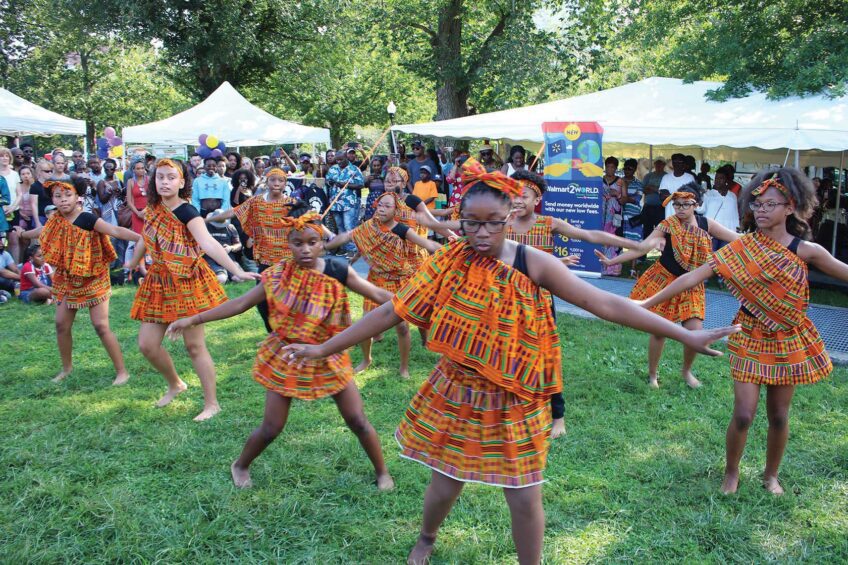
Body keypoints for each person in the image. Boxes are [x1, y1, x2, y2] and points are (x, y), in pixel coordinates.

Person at [282, 163, 738, 565]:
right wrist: (324, 349)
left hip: (518, 393)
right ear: (459, 222)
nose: (481, 233)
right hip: (459, 387)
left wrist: (686, 333)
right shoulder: (449, 261)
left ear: (507, 220)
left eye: (492, 223)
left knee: (523, 493)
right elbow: (391, 310)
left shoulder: (530, 260)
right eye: (471, 223)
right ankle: (426, 537)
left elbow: (603, 303)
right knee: (446, 481)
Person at [639, 168, 848, 495]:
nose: (761, 211)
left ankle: (770, 475)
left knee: (779, 416)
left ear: (790, 208)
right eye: (757, 204)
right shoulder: (742, 247)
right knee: (743, 415)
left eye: (770, 205)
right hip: (749, 333)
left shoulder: (806, 251)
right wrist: (646, 302)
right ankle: (731, 473)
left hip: (788, 338)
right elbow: (691, 277)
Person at [166, 206, 395, 490]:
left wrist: (415, 301)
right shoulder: (277, 275)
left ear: (322, 243)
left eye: (313, 242)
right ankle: (240, 464)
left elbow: (378, 295)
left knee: (358, 420)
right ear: (287, 244)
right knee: (272, 427)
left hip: (329, 353)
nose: (306, 250)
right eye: (297, 244)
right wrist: (193, 318)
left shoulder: (338, 270)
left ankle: (382, 471)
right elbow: (240, 304)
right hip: (287, 355)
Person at [127, 159, 258, 421]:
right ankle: (175, 384)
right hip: (159, 282)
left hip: (187, 281)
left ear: (182, 182)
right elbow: (145, 236)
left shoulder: (188, 212)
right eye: (160, 177)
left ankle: (212, 403)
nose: (165, 182)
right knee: (147, 345)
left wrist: (236, 269)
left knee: (194, 346)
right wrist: (133, 262)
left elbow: (208, 242)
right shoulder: (153, 208)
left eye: (171, 178)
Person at [596, 186, 739, 388]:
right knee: (659, 330)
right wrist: (612, 261)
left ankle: (686, 371)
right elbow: (642, 247)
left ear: (696, 205)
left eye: (685, 205)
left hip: (692, 284)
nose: (680, 209)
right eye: (677, 204)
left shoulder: (706, 224)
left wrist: (767, 241)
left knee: (694, 330)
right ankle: (653, 374)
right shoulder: (668, 224)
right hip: (664, 281)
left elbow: (736, 239)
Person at [16, 177, 140, 384]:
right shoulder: (55, 220)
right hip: (68, 279)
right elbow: (40, 231)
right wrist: (23, 234)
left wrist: (143, 238)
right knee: (61, 324)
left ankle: (122, 372)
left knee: (100, 325)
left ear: (77, 197)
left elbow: (116, 231)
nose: (63, 200)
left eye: (67, 195)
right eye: (58, 196)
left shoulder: (87, 218)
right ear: (53, 200)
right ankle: (67, 369)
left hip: (94, 277)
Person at [324, 191, 440, 378]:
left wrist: (453, 248)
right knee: (365, 323)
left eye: (387, 206)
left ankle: (403, 368)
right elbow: (345, 236)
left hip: (399, 281)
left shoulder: (402, 230)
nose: (382, 209)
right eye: (380, 205)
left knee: (402, 327)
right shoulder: (368, 227)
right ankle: (366, 359)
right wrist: (323, 246)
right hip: (377, 280)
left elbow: (427, 244)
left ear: (396, 210)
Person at [210, 167, 299, 331]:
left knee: (287, 300)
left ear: (286, 183)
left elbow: (309, 219)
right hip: (265, 260)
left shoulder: (292, 204)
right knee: (263, 302)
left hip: (288, 261)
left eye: (281, 180)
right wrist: (208, 220)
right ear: (267, 181)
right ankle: (272, 333)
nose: (276, 183)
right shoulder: (256, 202)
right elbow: (233, 212)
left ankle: (288, 333)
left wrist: (329, 235)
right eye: (273, 179)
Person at [325, 150, 364, 257]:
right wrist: (330, 182)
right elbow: (326, 181)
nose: (339, 162)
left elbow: (361, 184)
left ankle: (353, 249)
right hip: (335, 203)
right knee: (340, 226)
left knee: (349, 226)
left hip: (349, 203)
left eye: (341, 159)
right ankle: (343, 247)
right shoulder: (333, 169)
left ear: (346, 158)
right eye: (337, 160)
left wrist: (345, 185)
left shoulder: (354, 169)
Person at [699, 168, 740, 250]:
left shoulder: (732, 196)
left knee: (724, 259)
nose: (717, 181)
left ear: (727, 180)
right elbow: (700, 210)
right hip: (712, 233)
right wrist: (700, 196)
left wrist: (736, 229)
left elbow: (735, 215)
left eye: (721, 178)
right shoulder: (708, 194)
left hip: (727, 233)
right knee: (710, 259)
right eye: (716, 178)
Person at [203, 209, 242, 284]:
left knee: (239, 279)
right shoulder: (205, 227)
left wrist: (230, 248)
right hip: (211, 257)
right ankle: (222, 275)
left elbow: (239, 245)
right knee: (221, 279)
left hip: (228, 257)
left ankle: (230, 275)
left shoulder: (230, 228)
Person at [620, 158, 645, 276]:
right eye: (625, 168)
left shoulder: (639, 184)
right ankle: (615, 265)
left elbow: (637, 199)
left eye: (629, 168)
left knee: (634, 242)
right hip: (619, 215)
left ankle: (632, 268)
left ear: (634, 169)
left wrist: (625, 198)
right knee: (616, 240)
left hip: (633, 216)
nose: (626, 171)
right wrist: (629, 197)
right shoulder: (618, 181)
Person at [601, 157, 624, 275]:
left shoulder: (620, 181)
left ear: (616, 168)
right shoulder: (600, 180)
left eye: (612, 167)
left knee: (613, 239)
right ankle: (601, 266)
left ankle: (614, 268)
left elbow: (625, 200)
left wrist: (617, 195)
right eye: (608, 167)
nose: (610, 169)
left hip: (614, 215)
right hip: (601, 214)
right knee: (601, 238)